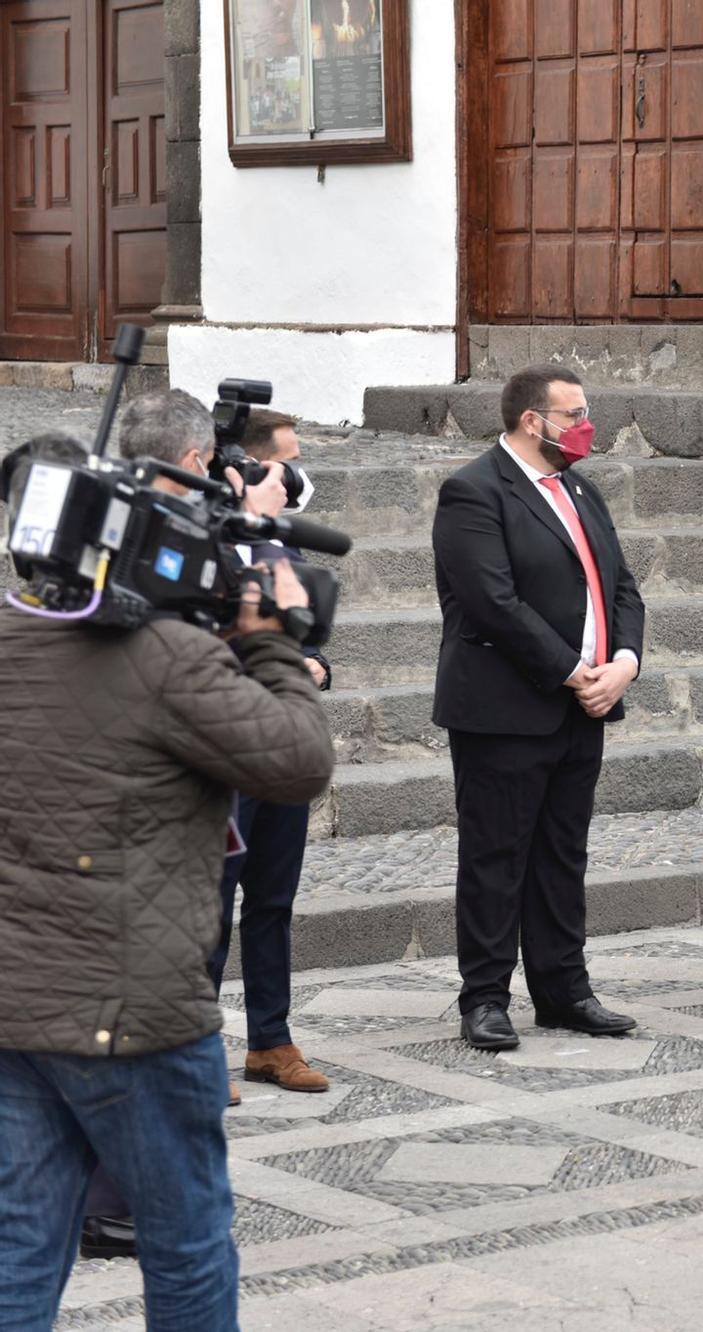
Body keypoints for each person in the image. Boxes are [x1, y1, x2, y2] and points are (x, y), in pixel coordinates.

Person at [0, 399, 335, 1328]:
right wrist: (272, 644)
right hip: (135, 1016)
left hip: (15, 1009)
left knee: (22, 1248)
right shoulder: (166, 659)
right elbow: (297, 763)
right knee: (185, 1247)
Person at [431, 365, 647, 1050]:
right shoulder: (473, 491)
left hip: (585, 705)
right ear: (534, 420)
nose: (588, 426)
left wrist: (625, 664)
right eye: (575, 414)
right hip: (504, 707)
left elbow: (622, 587)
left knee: (563, 853)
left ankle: (563, 989)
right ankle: (486, 997)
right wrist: (571, 671)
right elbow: (491, 600)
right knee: (496, 856)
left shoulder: (579, 489)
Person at [211, 408, 333, 1101]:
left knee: (272, 901)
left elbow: (308, 634)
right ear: (251, 470)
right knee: (209, 902)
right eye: (287, 463)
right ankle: (198, 1048)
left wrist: (314, 666)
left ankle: (270, 1041)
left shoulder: (284, 546)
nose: (297, 478)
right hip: (227, 752)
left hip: (284, 748)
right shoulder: (210, 548)